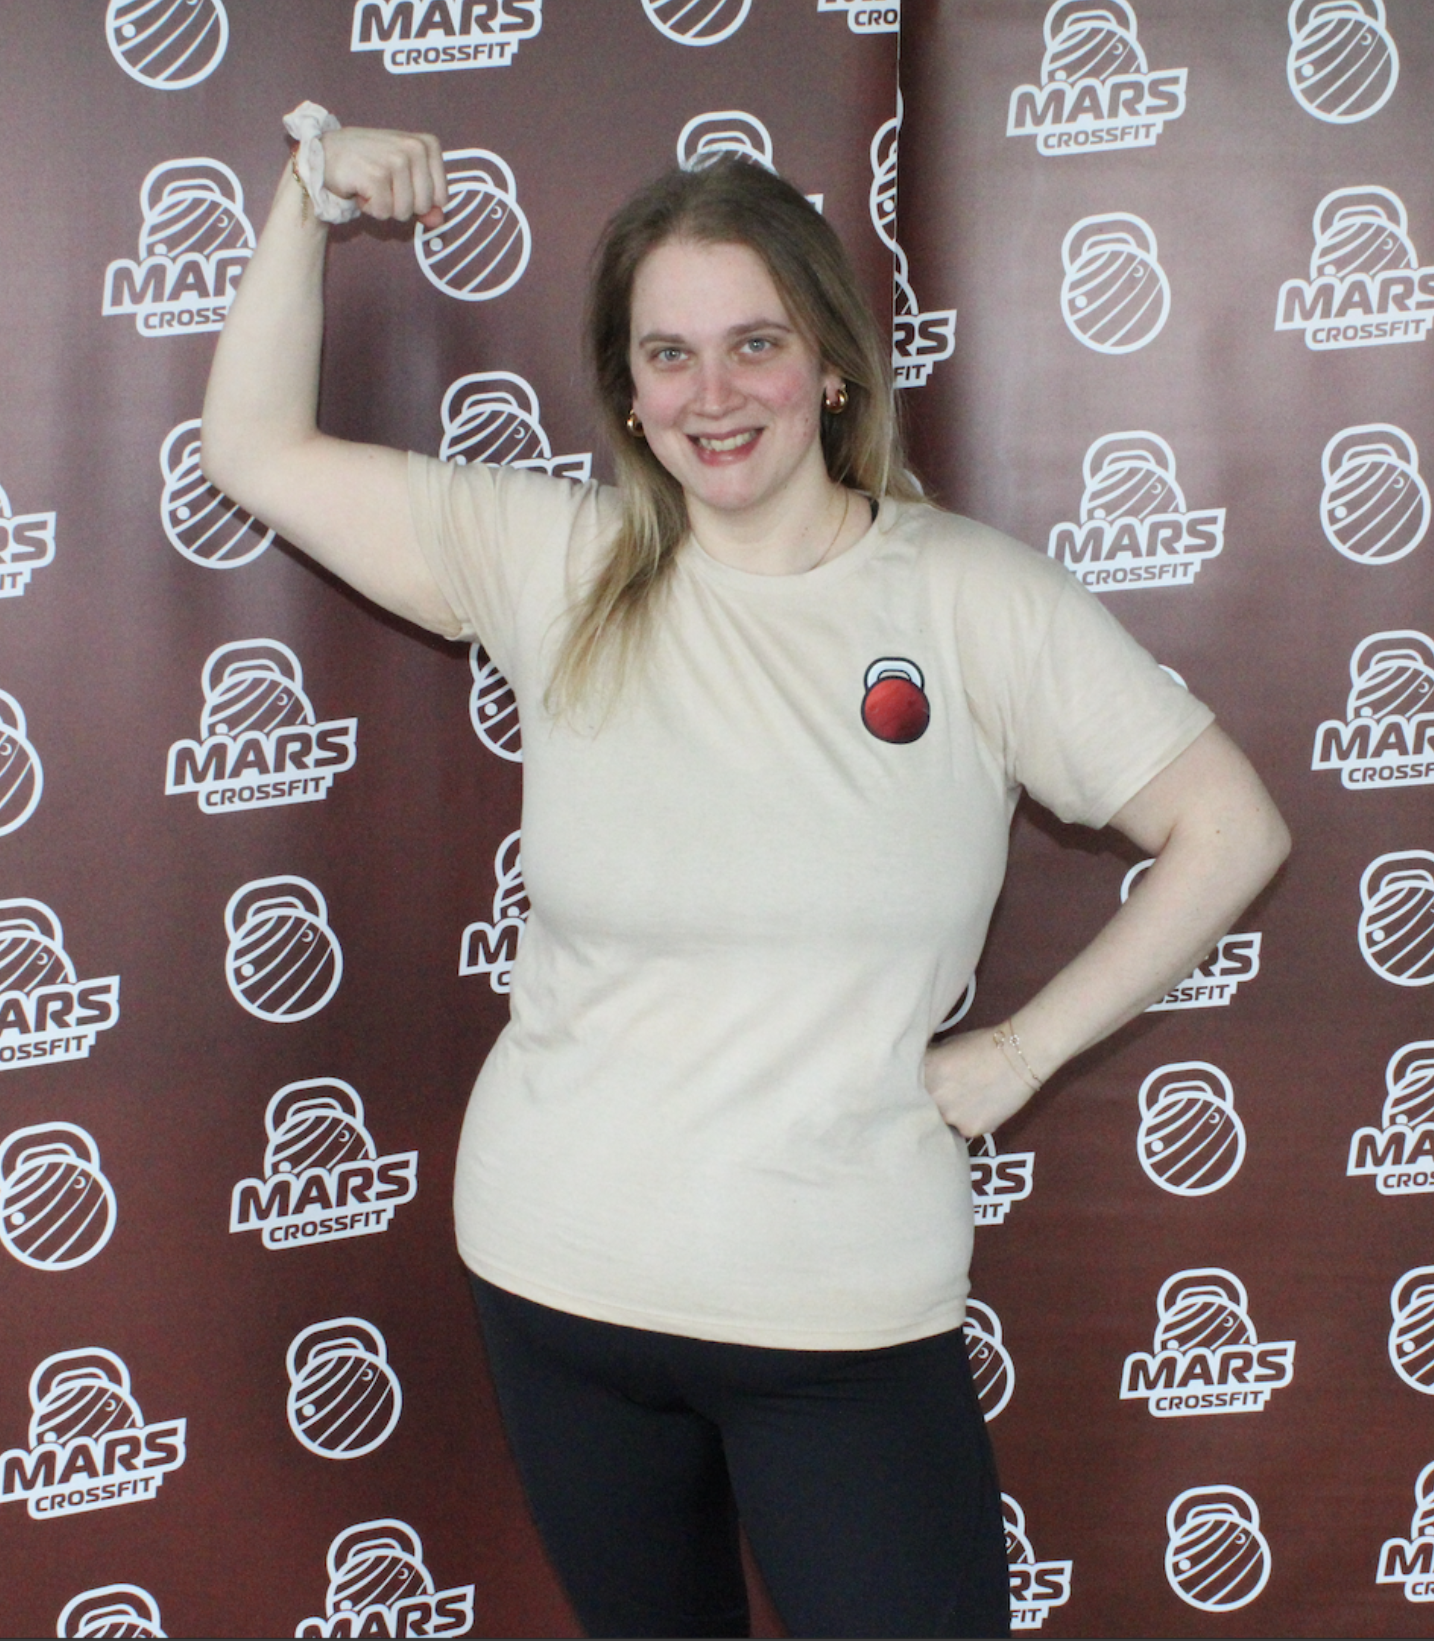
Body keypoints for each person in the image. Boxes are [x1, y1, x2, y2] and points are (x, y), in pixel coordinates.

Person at [202, 117, 1291, 1640]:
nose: (712, 395)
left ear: (830, 365)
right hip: (557, 1280)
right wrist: (306, 195)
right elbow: (252, 450)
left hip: (838, 1316)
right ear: (628, 392)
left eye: (754, 345)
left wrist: (1018, 1055)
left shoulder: (969, 599)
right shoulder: (556, 560)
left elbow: (1229, 828)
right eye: (669, 356)